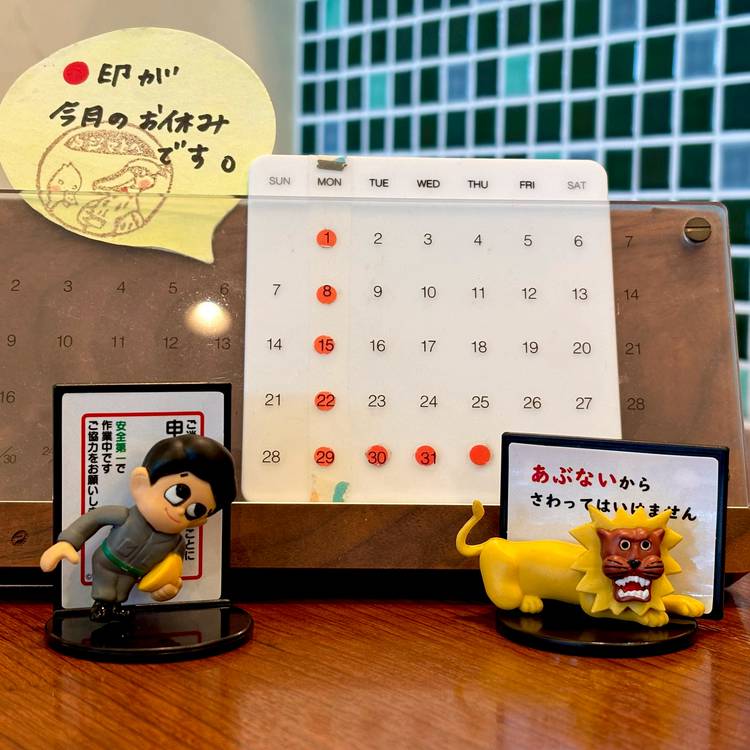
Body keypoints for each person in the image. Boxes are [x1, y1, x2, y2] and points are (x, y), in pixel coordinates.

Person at [40, 434, 236, 622]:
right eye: (178, 493)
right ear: (141, 485)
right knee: (106, 589)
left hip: (133, 573)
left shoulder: (176, 544)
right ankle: (101, 606)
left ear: (199, 520)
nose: (179, 511)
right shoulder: (125, 516)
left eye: (195, 510)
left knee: (121, 591)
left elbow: (171, 568)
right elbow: (93, 519)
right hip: (107, 560)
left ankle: (114, 608)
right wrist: (68, 542)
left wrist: (167, 587)